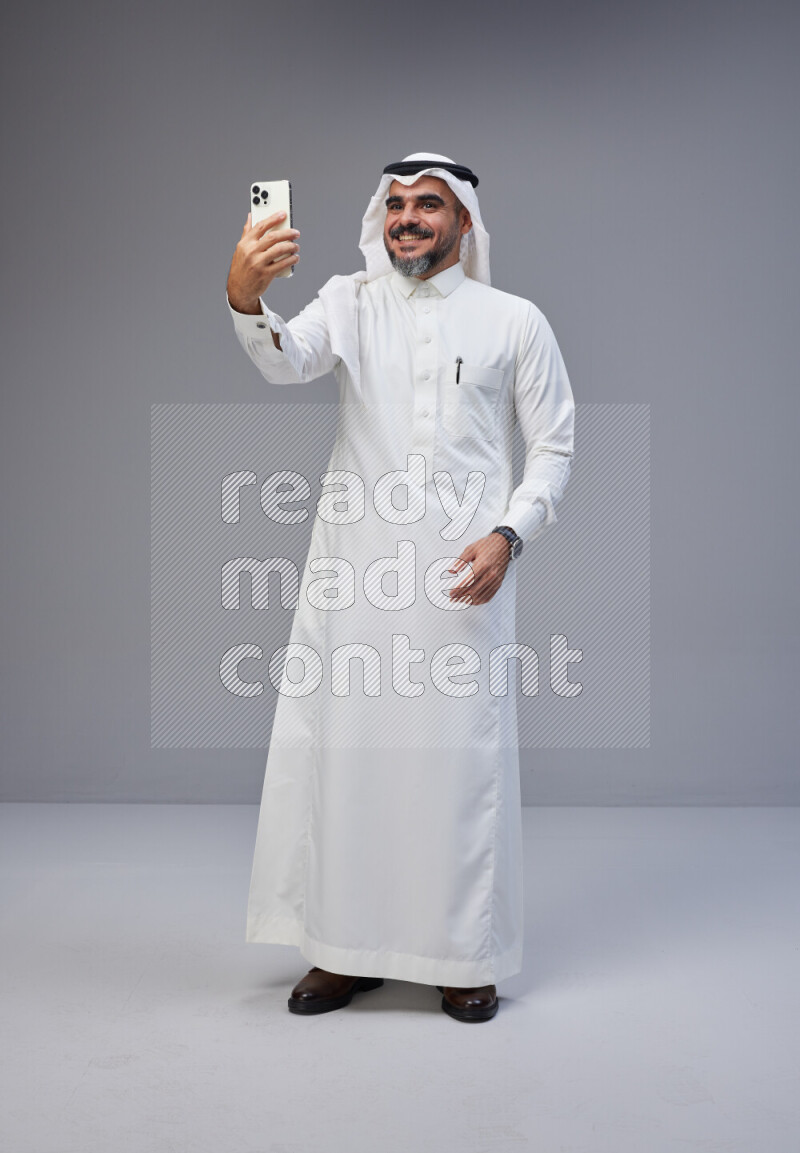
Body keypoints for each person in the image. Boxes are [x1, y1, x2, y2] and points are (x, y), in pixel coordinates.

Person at [225, 153, 575, 1023]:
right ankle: (342, 953)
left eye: (429, 205)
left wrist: (509, 534)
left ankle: (462, 955)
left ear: (465, 223)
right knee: (350, 763)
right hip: (357, 575)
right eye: (396, 205)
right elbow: (287, 360)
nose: (408, 218)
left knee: (457, 770)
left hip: (464, 581)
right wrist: (243, 297)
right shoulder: (351, 300)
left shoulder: (514, 320)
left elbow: (556, 447)